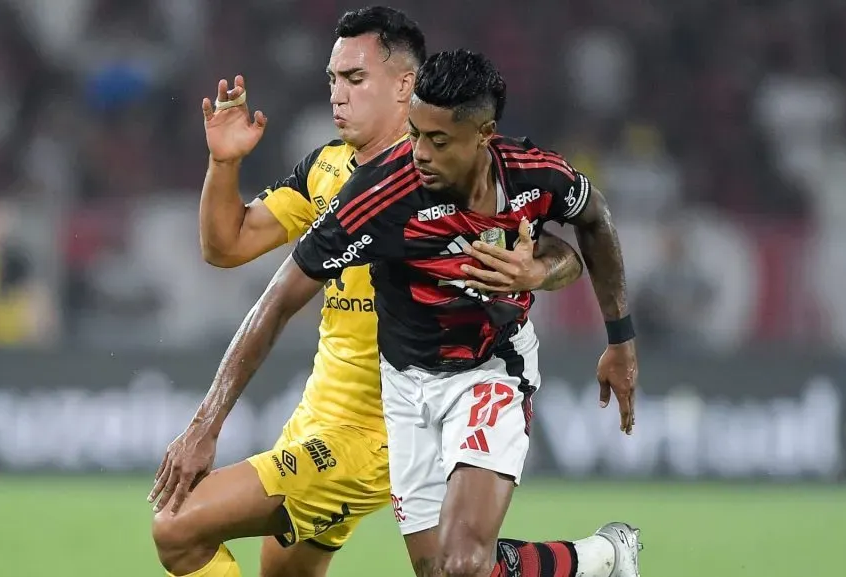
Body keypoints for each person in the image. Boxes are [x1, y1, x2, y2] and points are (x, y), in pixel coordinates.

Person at [148, 8, 587, 577]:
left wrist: (535, 273)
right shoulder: (327, 169)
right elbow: (225, 246)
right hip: (315, 421)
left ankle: (581, 561)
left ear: (405, 85)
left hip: (377, 433)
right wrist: (224, 163)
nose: (338, 94)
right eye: (333, 79)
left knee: (176, 527)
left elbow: (556, 252)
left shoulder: (443, 176)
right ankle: (591, 560)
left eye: (355, 79)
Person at [274, 49, 642, 577]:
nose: (420, 152)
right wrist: (206, 425)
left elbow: (592, 221)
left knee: (463, 561)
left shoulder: (532, 175)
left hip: (490, 368)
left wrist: (616, 337)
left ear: (484, 134)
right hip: (404, 386)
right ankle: (602, 557)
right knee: (443, 571)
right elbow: (279, 297)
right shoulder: (382, 192)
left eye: (438, 140)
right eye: (414, 133)